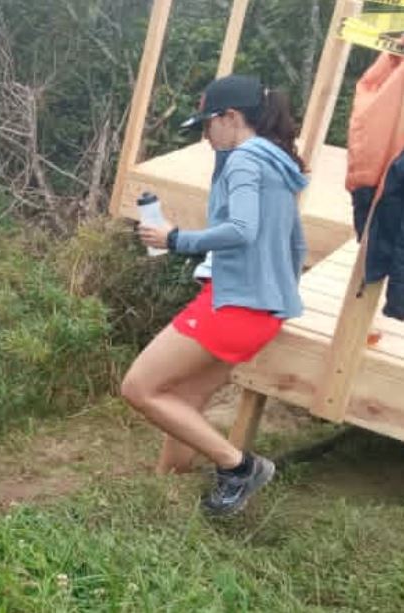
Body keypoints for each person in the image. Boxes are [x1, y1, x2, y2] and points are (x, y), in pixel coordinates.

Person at [123, 74, 309, 516]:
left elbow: (241, 230)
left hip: (236, 303)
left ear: (231, 117)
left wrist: (175, 239)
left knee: (139, 387)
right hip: (261, 307)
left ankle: (238, 466)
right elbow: (295, 244)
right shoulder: (276, 162)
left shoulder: (245, 159)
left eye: (208, 125)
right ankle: (167, 487)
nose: (206, 136)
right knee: (184, 398)